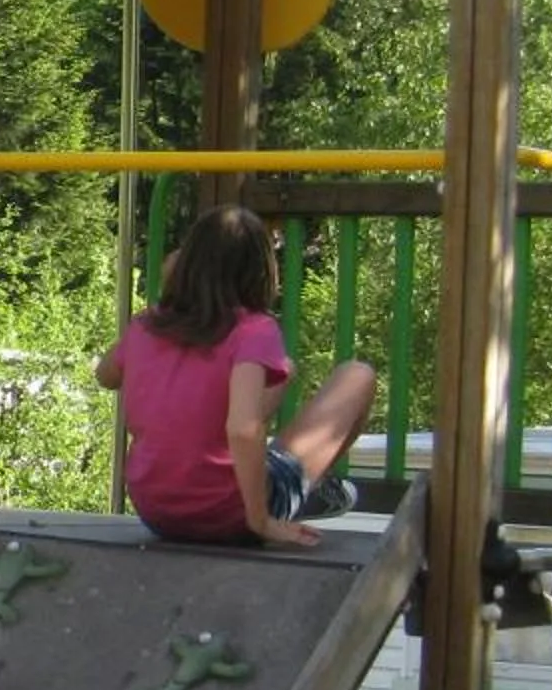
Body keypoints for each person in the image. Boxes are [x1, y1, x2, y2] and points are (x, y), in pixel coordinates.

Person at [93, 202, 376, 549]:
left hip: (157, 513)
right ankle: (302, 490)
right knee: (357, 375)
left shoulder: (146, 325)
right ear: (260, 270)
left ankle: (274, 475)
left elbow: (105, 376)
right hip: (230, 517)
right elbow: (243, 429)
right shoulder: (254, 330)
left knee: (281, 371)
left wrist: (165, 295)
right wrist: (260, 521)